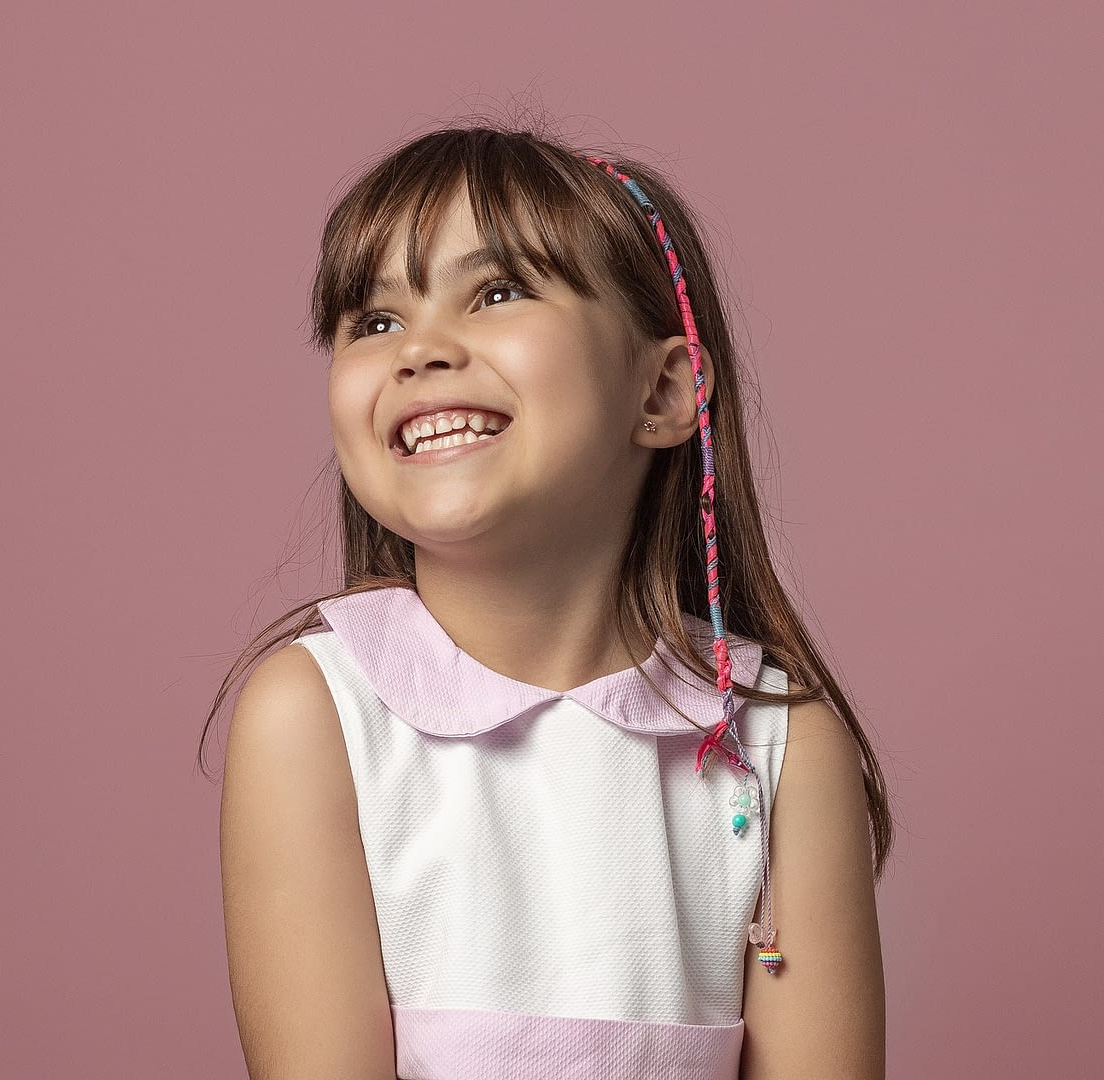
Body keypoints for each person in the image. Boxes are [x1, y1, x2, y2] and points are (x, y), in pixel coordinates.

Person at [202, 123, 890, 1080]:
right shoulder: (315, 717)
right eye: (374, 322)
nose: (418, 351)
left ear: (661, 392)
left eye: (496, 292)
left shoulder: (778, 745)